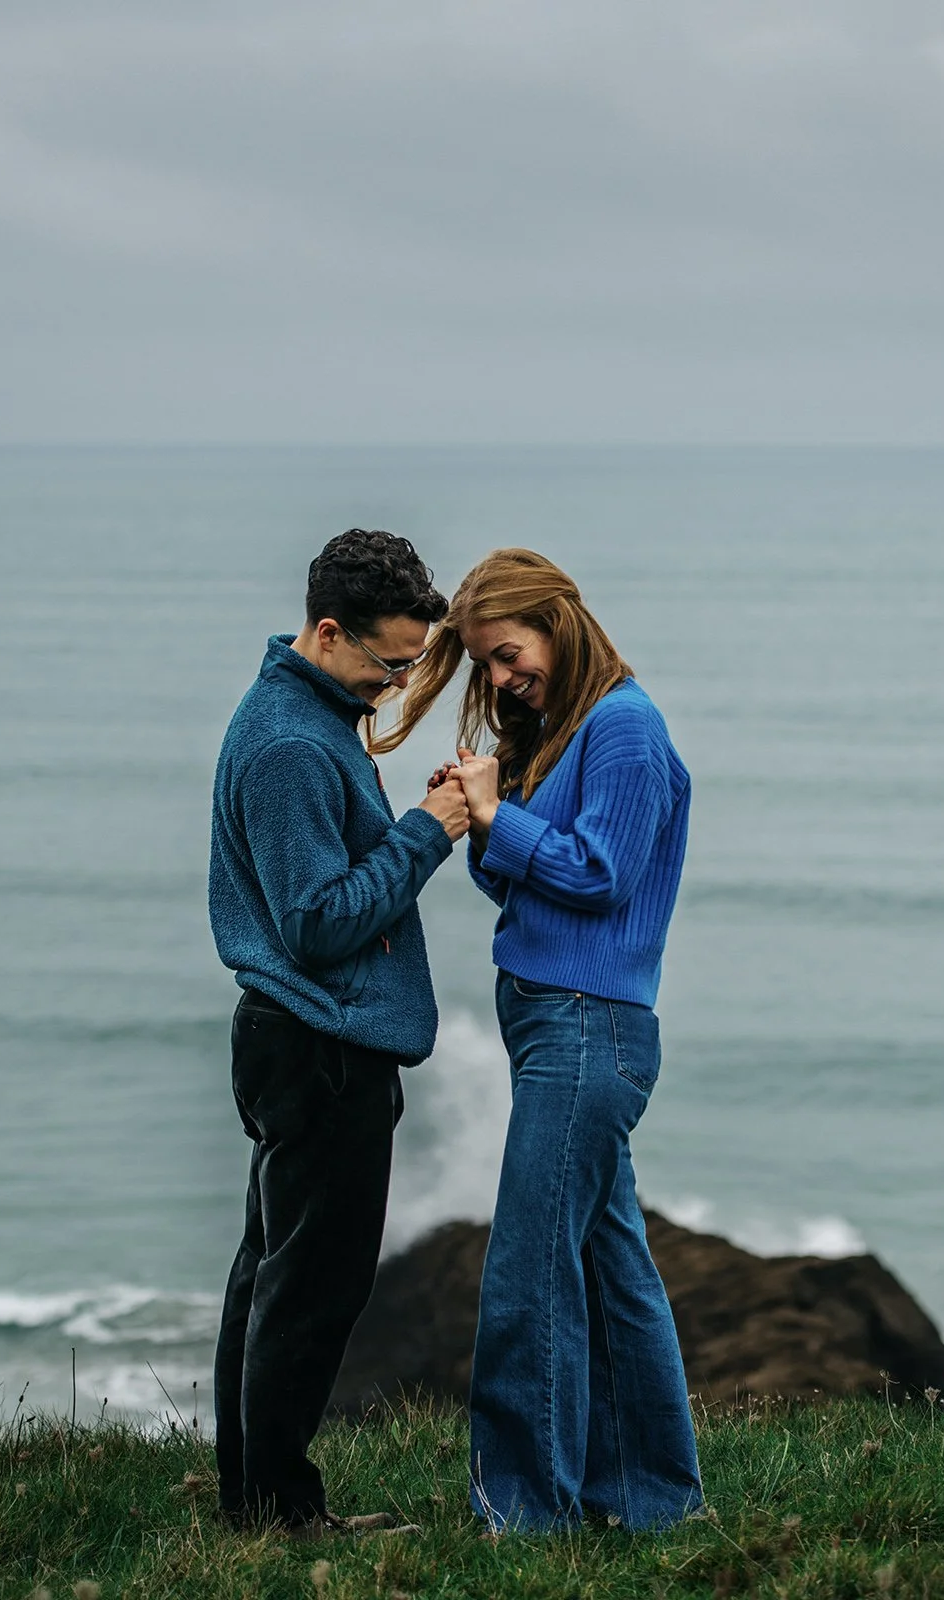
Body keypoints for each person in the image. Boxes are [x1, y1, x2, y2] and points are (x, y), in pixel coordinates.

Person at [375, 546, 703, 1532]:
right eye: (484, 665)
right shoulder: (560, 730)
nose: (500, 678)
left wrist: (499, 817)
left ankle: (523, 1510)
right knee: (609, 1269)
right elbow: (523, 882)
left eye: (509, 654)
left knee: (529, 1270)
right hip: (554, 1020)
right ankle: (649, 1499)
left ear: (559, 622)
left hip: (587, 1024)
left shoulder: (626, 727)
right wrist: (489, 820)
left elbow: (602, 873)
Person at [206, 528, 471, 1532]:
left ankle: (254, 1506)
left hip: (302, 1042)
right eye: (391, 661)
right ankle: (279, 1517)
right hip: (319, 1048)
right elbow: (316, 924)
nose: (401, 684)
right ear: (327, 629)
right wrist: (428, 831)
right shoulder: (289, 744)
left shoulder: (311, 714)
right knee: (308, 1294)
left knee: (270, 1280)